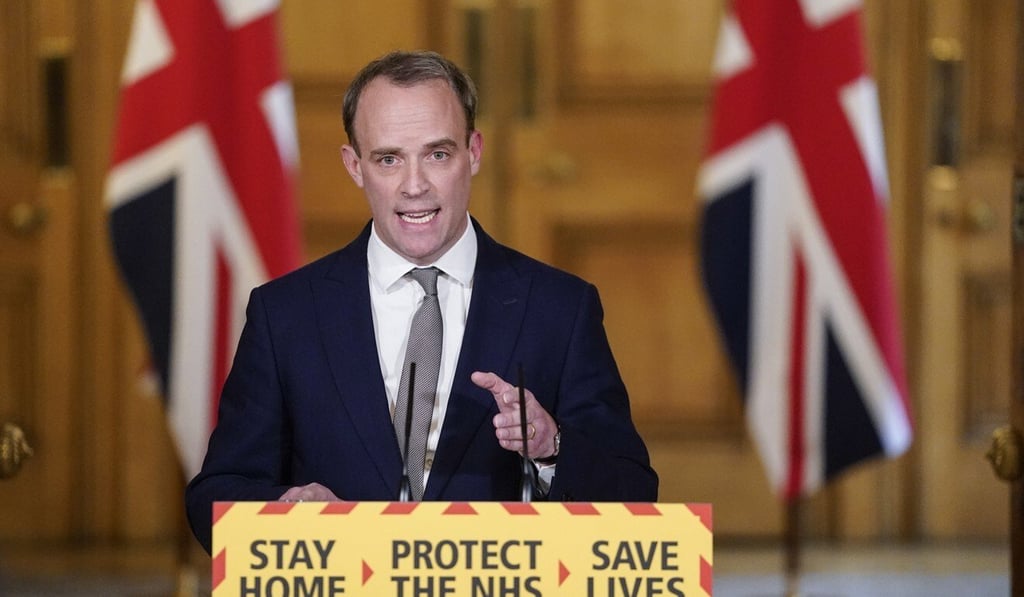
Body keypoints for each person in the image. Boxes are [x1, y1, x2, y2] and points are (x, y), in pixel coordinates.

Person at [185, 50, 658, 552]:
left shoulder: (560, 309)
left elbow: (635, 494)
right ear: (354, 165)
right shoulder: (285, 315)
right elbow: (215, 497)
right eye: (389, 159)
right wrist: (285, 508)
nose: (415, 186)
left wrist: (552, 447)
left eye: (437, 154)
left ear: (473, 152)